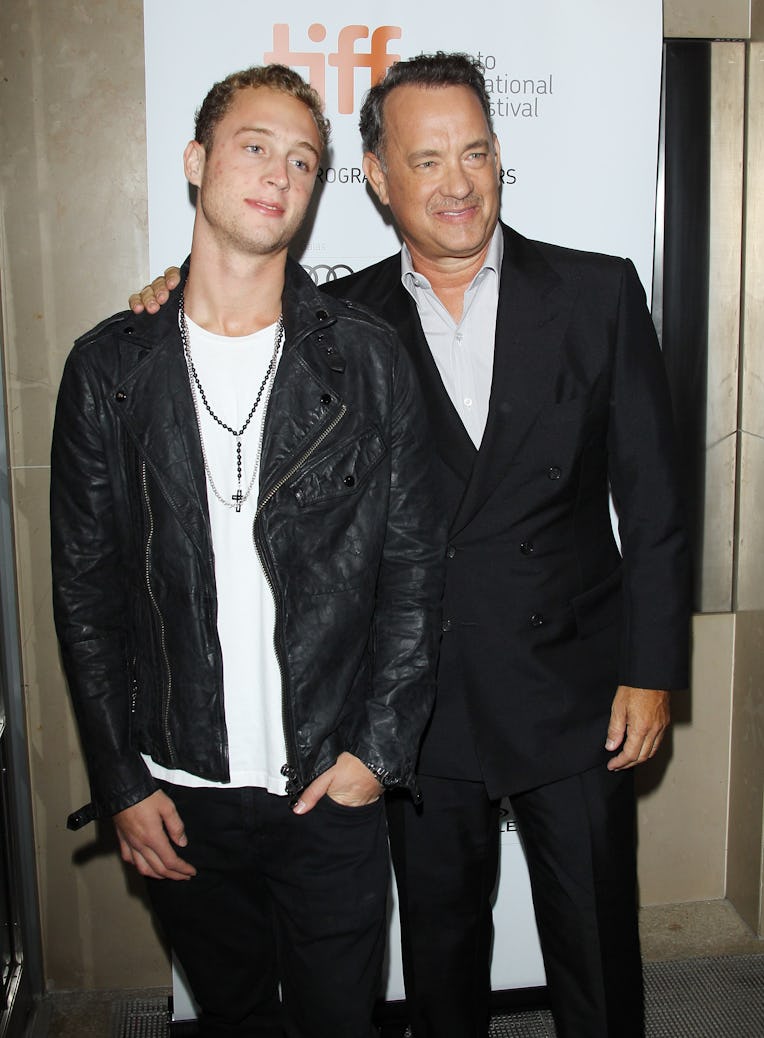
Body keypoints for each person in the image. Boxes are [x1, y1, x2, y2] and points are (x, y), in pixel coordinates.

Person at [132, 53, 691, 1038]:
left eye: (474, 152)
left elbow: (650, 506)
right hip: (418, 707)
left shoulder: (597, 295)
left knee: (595, 947)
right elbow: (233, 330)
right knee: (439, 956)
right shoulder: (344, 326)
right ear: (381, 182)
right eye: (426, 160)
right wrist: (174, 292)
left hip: (573, 690)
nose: (457, 182)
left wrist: (651, 671)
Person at [51, 64, 444, 1038]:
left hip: (327, 784)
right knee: (228, 1018)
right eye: (254, 147)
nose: (278, 173)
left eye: (302, 161)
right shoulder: (110, 368)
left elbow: (412, 572)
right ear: (197, 161)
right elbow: (85, 592)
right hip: (177, 790)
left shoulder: (363, 357)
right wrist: (121, 783)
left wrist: (373, 755)